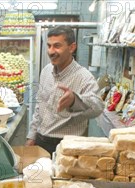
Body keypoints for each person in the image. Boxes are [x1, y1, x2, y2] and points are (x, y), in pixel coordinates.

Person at [26, 26, 105, 155]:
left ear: (72, 47)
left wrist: (75, 100)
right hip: (41, 141)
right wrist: (31, 136)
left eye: (57, 46)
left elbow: (98, 107)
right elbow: (39, 106)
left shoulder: (84, 77)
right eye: (49, 46)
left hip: (67, 146)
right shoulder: (46, 71)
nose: (51, 51)